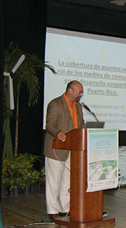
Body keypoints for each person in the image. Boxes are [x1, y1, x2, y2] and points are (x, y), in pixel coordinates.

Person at [43, 80, 85, 220]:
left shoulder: (78, 107)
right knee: (54, 182)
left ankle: (64, 209)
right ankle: (53, 210)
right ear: (70, 90)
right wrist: (58, 132)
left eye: (81, 92)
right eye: (79, 91)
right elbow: (49, 125)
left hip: (72, 149)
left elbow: (81, 124)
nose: (81, 94)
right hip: (56, 149)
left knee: (67, 182)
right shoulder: (55, 104)